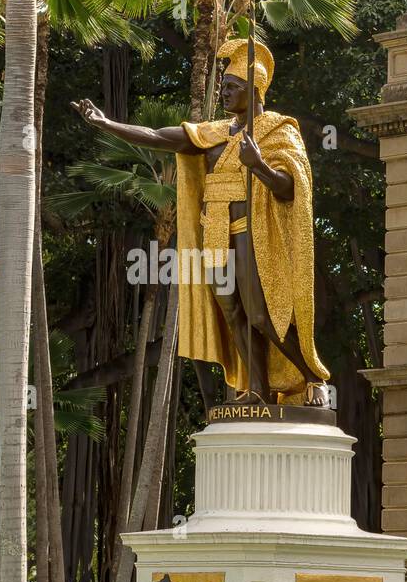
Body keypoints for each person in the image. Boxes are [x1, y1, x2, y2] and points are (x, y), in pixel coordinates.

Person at [72, 36, 329, 404]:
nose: (224, 94)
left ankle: (310, 378)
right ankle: (257, 388)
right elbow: (159, 137)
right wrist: (107, 124)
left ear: (254, 89)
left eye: (231, 87)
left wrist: (259, 167)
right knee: (234, 312)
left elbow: (292, 189)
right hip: (215, 234)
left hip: (254, 235)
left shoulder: (278, 130)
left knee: (262, 313)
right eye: (222, 87)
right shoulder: (214, 134)